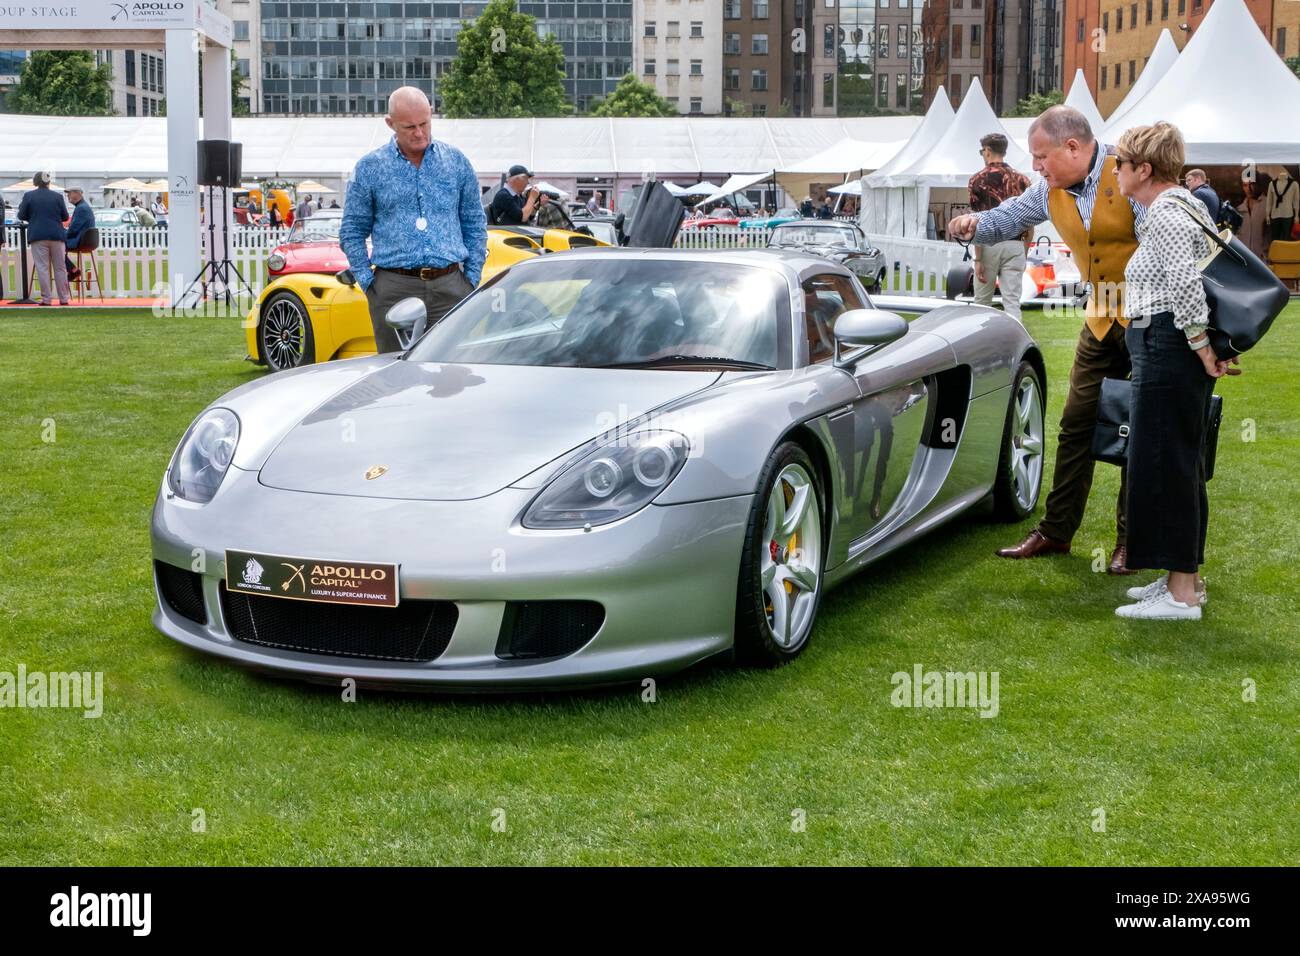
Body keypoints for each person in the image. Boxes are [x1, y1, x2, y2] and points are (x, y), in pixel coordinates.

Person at [948, 105, 1147, 574]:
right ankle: (1056, 532)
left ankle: (1133, 541)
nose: (1035, 167)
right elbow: (1011, 215)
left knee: (1140, 429)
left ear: (1073, 148)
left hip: (1149, 320)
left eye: (1041, 157)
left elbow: (1163, 241)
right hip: (1101, 318)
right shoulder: (1051, 188)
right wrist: (975, 224)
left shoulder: (1131, 175)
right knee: (1076, 424)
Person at [1112, 122, 1240, 620]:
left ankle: (1182, 592)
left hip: (1168, 341)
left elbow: (1184, 283)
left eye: (1121, 164)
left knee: (1167, 459)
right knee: (1176, 459)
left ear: (1143, 169)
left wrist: (1200, 343)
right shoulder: (1181, 205)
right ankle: (1179, 577)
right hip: (1167, 341)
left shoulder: (1166, 210)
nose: (1116, 172)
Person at [340, 86, 487, 354]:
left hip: (452, 285)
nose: (419, 133)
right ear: (390, 123)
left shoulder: (456, 162)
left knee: (451, 377)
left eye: (424, 124)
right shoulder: (369, 168)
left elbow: (475, 223)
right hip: (393, 287)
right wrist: (370, 285)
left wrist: (471, 279)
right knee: (394, 374)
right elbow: (351, 231)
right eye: (409, 127)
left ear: (431, 115)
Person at [967, 132, 1032, 323]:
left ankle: (982, 342)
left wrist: (977, 258)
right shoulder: (1022, 180)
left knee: (982, 301)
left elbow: (976, 221)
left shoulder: (977, 180)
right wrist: (1024, 250)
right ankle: (1017, 342)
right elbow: (1030, 220)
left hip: (988, 244)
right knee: (1012, 301)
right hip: (1016, 243)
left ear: (987, 151)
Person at [17, 170, 70, 306]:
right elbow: (65, 217)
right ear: (48, 182)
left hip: (38, 235)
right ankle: (63, 298)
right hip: (57, 235)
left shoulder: (29, 196)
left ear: (35, 182)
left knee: (43, 268)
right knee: (60, 268)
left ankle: (46, 299)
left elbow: (21, 215)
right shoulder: (57, 197)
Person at [63, 187, 95, 282]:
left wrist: (60, 234)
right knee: (55, 246)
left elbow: (73, 230)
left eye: (70, 193)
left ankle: (73, 270)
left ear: (78, 194)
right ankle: (72, 270)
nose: (68, 196)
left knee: (55, 247)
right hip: (84, 239)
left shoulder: (81, 208)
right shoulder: (83, 207)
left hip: (81, 241)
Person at [1236, 177, 1270, 260]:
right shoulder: (1239, 210)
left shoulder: (1268, 206)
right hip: (1244, 259)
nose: (1249, 189)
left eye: (1252, 184)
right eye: (1245, 185)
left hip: (1263, 260)